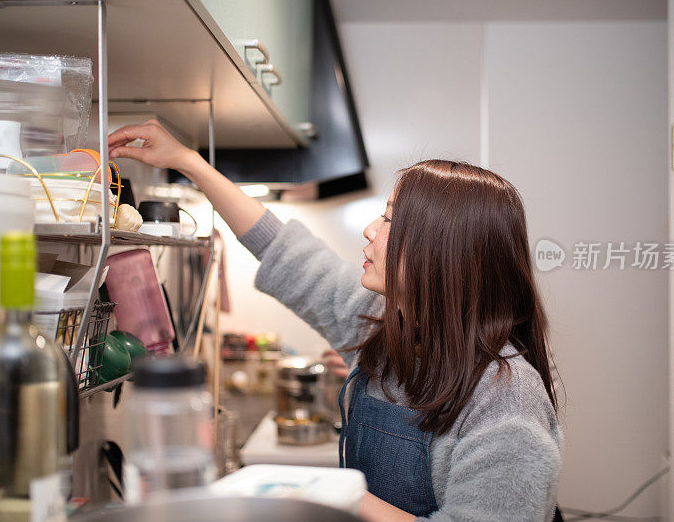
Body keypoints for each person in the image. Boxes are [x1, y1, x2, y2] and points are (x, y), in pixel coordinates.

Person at [108, 120, 563, 522]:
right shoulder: (385, 332)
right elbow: (280, 248)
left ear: (437, 251)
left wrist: (337, 496)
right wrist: (189, 162)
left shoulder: (506, 397)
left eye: (388, 219)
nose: (370, 229)